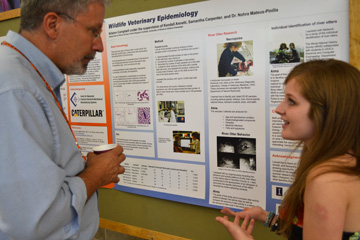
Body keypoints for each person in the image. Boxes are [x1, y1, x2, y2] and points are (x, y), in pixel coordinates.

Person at [0, 1, 126, 239]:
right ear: (52, 24)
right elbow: (33, 219)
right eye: (94, 31)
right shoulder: (15, 89)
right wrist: (95, 176)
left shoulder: (27, 77)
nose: (99, 46)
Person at [216, 59, 360, 240]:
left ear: (326, 112)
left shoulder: (327, 180)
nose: (279, 109)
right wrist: (266, 217)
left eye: (291, 101)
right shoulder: (344, 161)